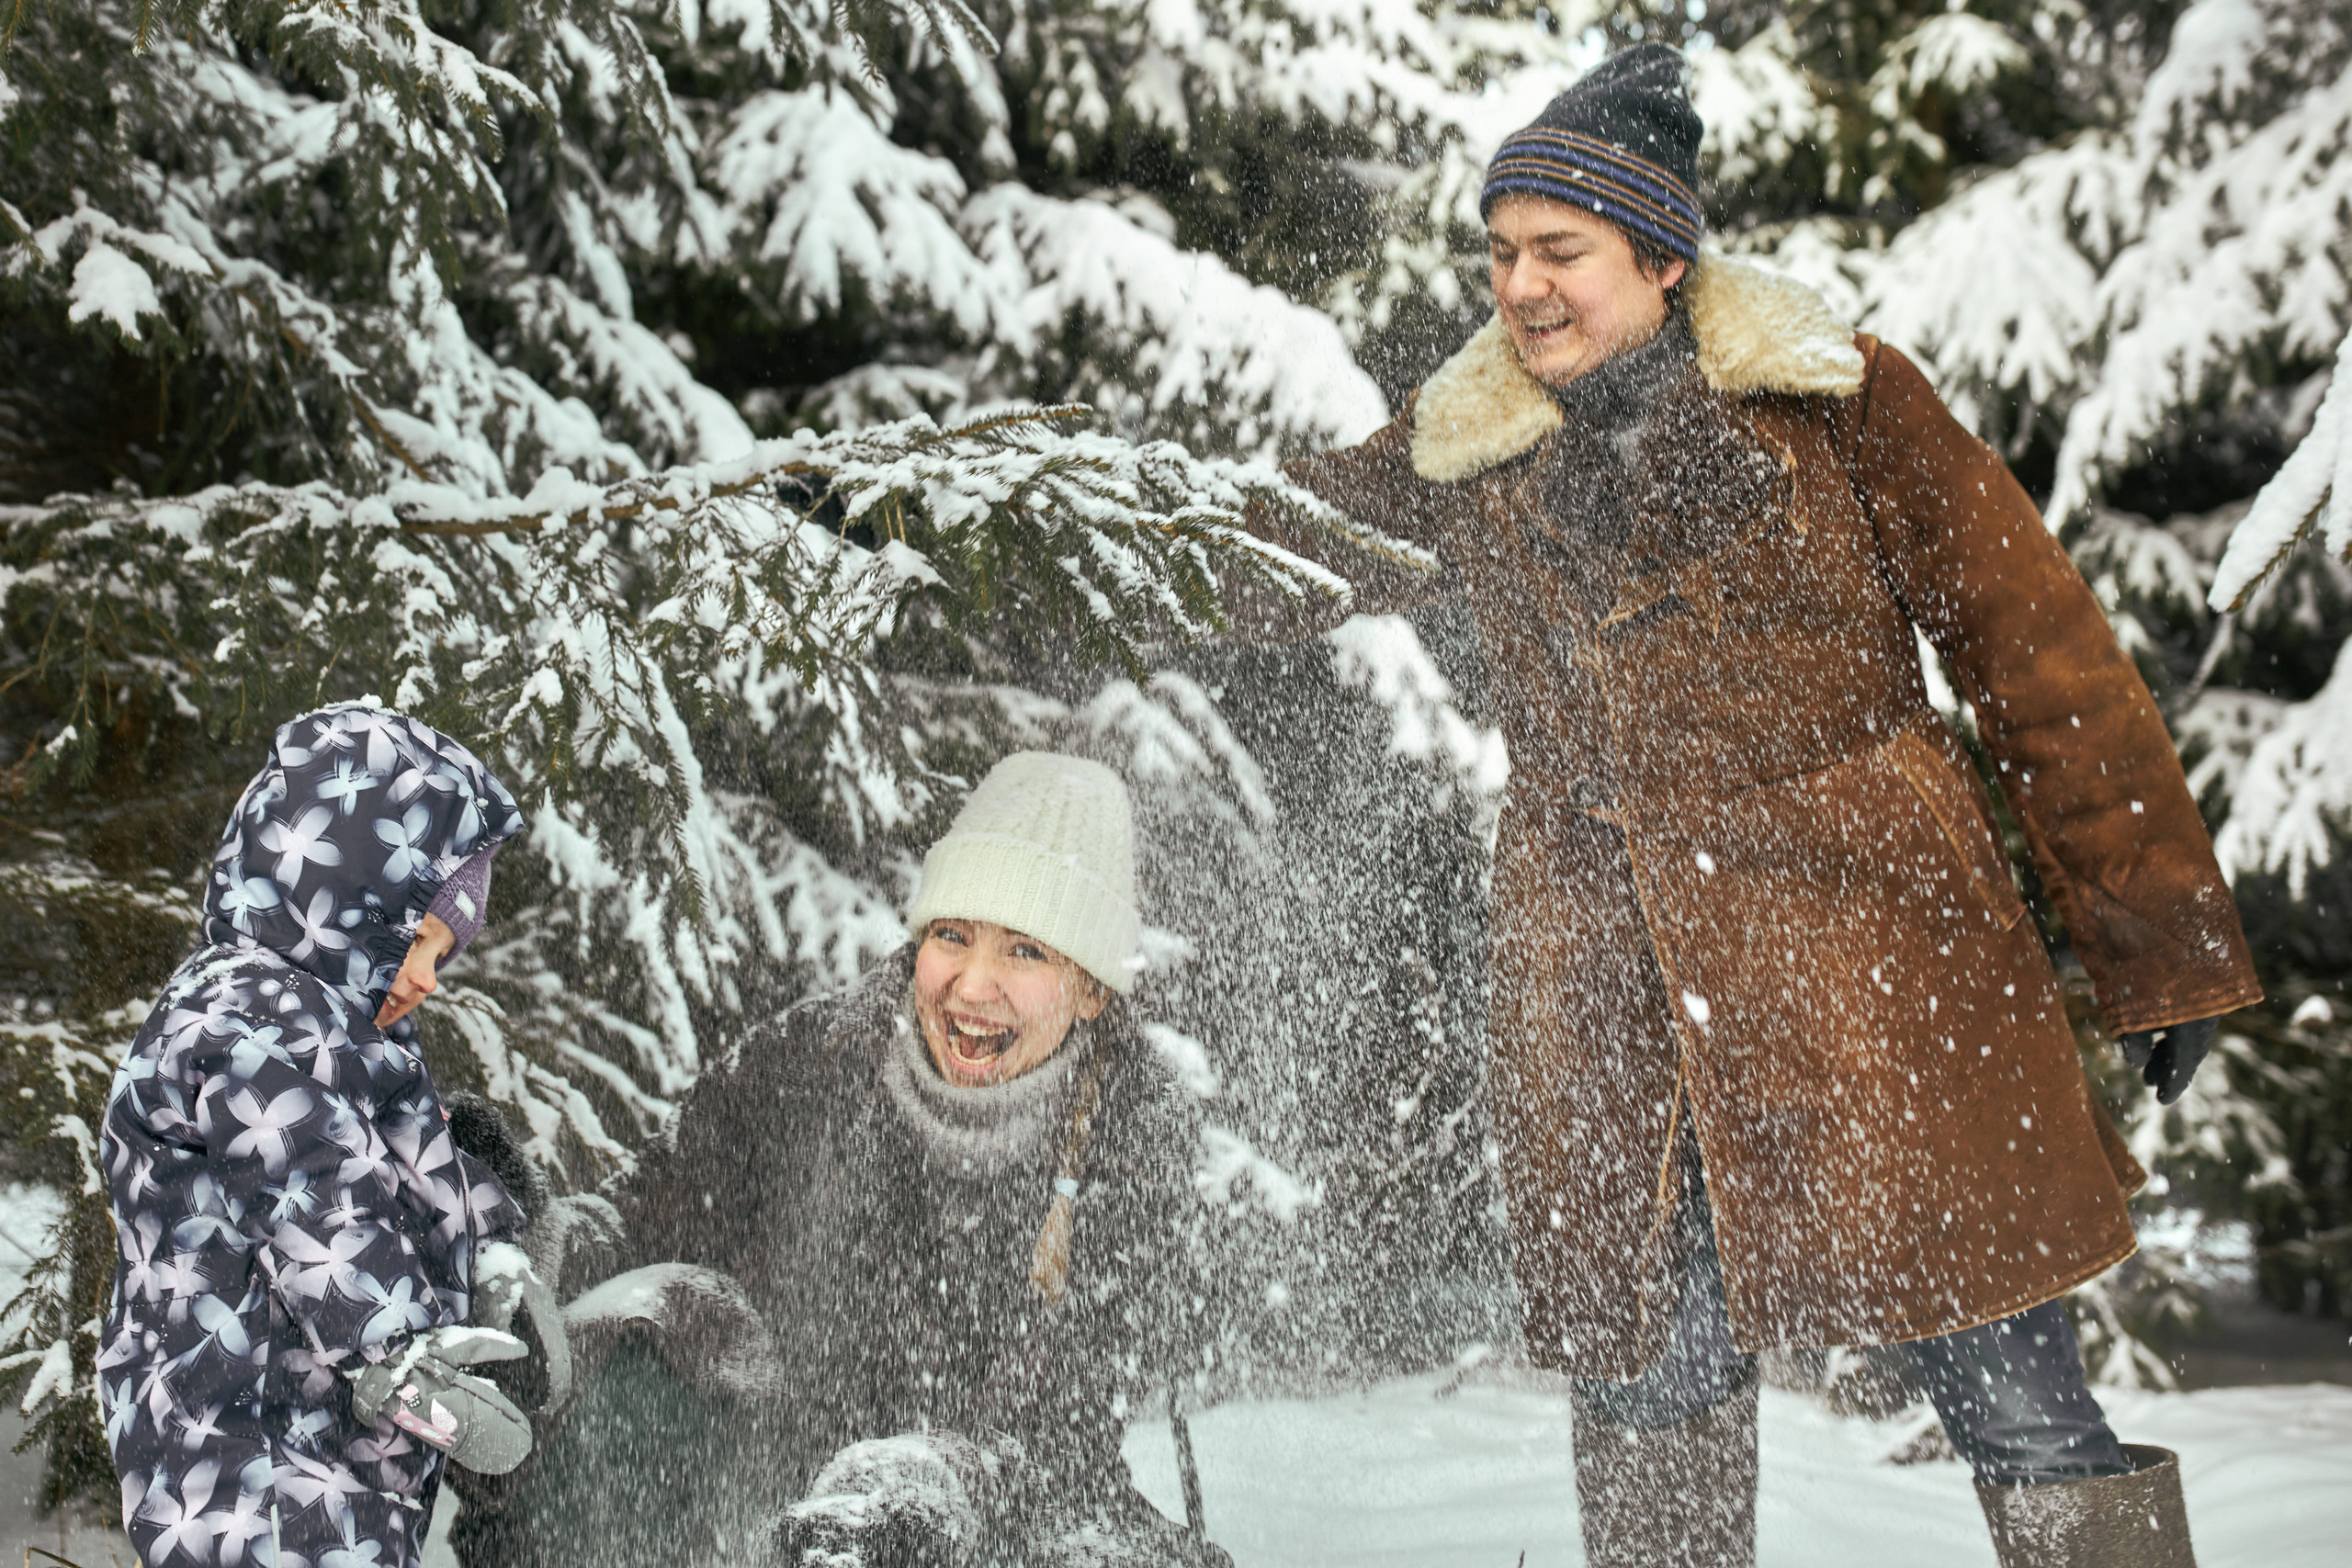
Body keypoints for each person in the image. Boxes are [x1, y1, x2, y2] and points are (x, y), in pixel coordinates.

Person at [1227, 44, 2263, 1568]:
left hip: (1882, 982)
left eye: (1559, 251)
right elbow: (1265, 555)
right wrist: (1021, 539)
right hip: (1614, 1008)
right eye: (1502, 252)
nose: (1520, 286)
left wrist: (2157, 938)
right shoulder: (1469, 446)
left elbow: (2036, 650)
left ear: (1659, 256)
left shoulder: (1837, 402)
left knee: (2020, 1402)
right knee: (1655, 1408)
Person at [450, 750, 1225, 1568]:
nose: (972, 984)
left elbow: (1061, 1444)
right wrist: (536, 1251)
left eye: (1025, 952)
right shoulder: (814, 1060)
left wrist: (930, 1489)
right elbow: (647, 1215)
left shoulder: (1133, 1141)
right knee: (620, 1400)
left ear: (1091, 990)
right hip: (763, 1482)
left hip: (997, 1517)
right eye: (952, 936)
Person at [97, 702, 569, 1568]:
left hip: (325, 1445)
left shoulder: (342, 1027)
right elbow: (310, 1187)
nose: (427, 978)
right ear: (346, 901)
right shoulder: (247, 1013)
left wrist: (487, 1245)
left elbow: (387, 1173)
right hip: (237, 1443)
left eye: (444, 953)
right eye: (417, 942)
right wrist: (400, 1351)